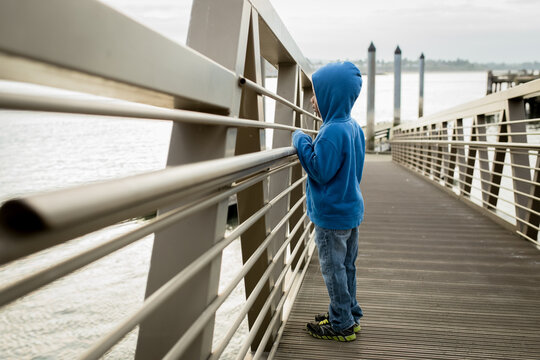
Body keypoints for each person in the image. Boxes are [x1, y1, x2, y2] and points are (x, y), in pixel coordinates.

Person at [292, 61, 365, 342]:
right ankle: (348, 313)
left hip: (331, 217)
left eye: (316, 93)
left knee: (333, 270)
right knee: (346, 268)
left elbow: (319, 169)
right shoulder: (353, 127)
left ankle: (341, 325)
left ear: (330, 96)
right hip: (349, 211)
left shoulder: (332, 131)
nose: (312, 100)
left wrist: (301, 140)